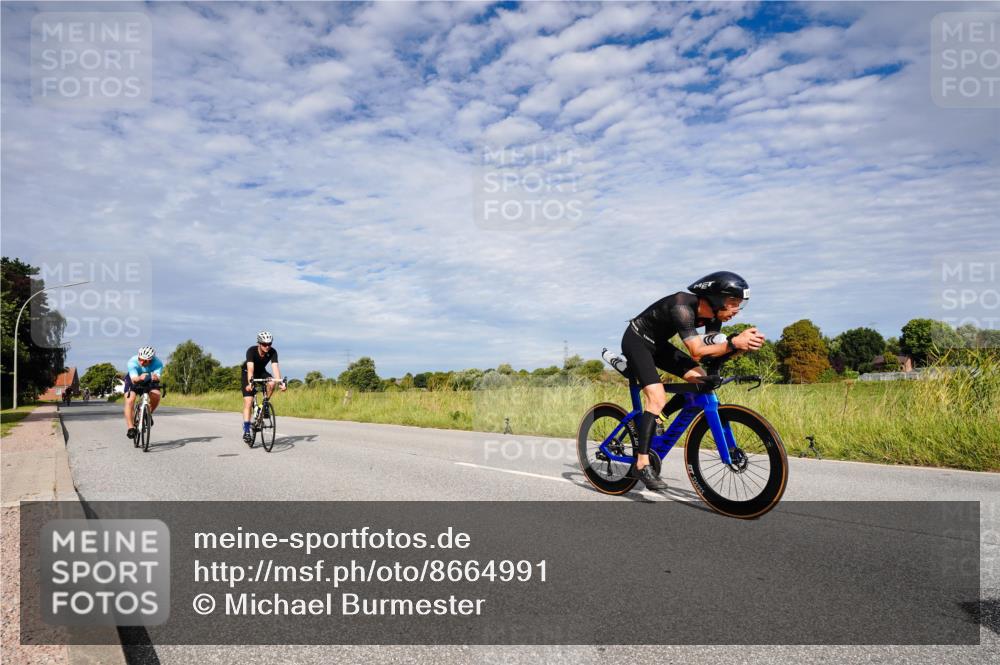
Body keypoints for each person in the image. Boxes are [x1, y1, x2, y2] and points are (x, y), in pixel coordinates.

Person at [621, 271, 766, 490]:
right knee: (657, 396)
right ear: (716, 298)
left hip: (659, 345)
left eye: (740, 304)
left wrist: (737, 348)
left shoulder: (715, 316)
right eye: (733, 303)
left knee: (701, 381)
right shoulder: (682, 307)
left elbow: (711, 348)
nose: (736, 310)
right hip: (637, 341)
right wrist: (734, 343)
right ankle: (642, 463)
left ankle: (659, 419)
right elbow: (697, 351)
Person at [241, 331, 286, 442]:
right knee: (248, 401)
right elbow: (250, 369)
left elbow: (275, 368)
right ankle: (246, 431)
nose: (267, 346)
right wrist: (250, 383)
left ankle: (264, 404)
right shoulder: (251, 351)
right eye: (264, 344)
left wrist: (280, 382)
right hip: (248, 373)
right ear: (259, 343)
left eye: (269, 344)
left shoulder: (273, 352)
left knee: (271, 383)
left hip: (261, 372)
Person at [124, 346, 163, 439]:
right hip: (134, 379)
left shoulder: (158, 363)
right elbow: (134, 379)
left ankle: (147, 414)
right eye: (140, 359)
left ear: (151, 360)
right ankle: (130, 428)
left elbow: (158, 377)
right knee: (130, 400)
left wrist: (155, 377)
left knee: (157, 395)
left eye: (145, 361)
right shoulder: (132, 362)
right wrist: (140, 377)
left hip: (149, 379)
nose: (142, 362)